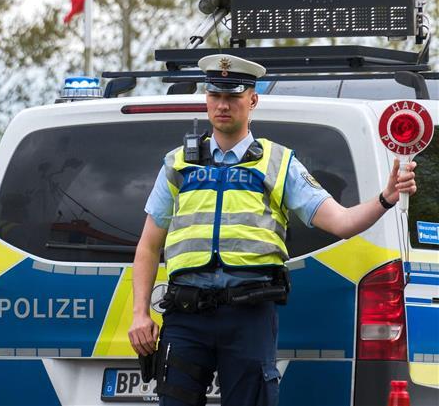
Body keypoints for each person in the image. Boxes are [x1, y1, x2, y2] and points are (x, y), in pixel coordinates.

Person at [127, 55, 418, 406]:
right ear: (207, 98)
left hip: (248, 317)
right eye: (215, 95)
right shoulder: (178, 163)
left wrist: (386, 198)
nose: (222, 105)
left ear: (252, 100)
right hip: (186, 316)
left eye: (233, 96)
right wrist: (139, 313)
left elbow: (342, 222)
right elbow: (148, 246)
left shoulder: (278, 163)